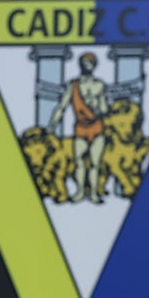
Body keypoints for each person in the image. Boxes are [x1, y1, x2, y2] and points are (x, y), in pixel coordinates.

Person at [48, 51, 109, 203]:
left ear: (94, 66)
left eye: (89, 63)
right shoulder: (73, 85)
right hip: (81, 128)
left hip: (97, 128)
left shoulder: (99, 85)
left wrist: (96, 105)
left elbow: (104, 109)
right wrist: (52, 124)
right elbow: (62, 106)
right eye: (84, 62)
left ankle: (94, 193)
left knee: (95, 163)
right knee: (79, 161)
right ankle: (80, 191)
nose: (86, 65)